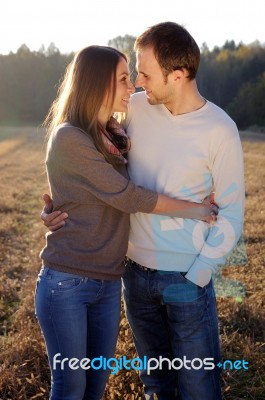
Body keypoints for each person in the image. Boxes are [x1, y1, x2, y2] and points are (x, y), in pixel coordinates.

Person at [35, 44, 217, 400]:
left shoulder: (112, 134)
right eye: (122, 79)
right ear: (96, 83)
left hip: (107, 283)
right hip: (67, 282)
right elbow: (127, 196)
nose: (131, 85)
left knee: (95, 387)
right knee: (71, 387)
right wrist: (195, 208)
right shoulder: (69, 135)